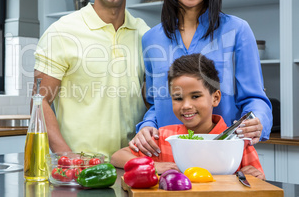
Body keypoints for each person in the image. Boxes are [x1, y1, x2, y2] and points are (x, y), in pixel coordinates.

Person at [130, 0, 273, 157]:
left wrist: (258, 120)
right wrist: (146, 126)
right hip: (168, 154)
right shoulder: (151, 39)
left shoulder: (238, 30)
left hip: (222, 153)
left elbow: (254, 98)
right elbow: (155, 102)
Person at [32, 0, 150, 158]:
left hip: (133, 165)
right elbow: (40, 102)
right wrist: (67, 158)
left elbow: (149, 101)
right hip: (81, 170)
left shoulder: (145, 33)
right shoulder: (61, 32)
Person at [112, 54, 265, 179]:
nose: (185, 105)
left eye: (195, 96)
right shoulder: (164, 137)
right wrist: (154, 166)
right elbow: (118, 157)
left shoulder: (238, 140)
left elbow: (258, 179)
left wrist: (254, 177)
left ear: (215, 98)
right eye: (178, 98)